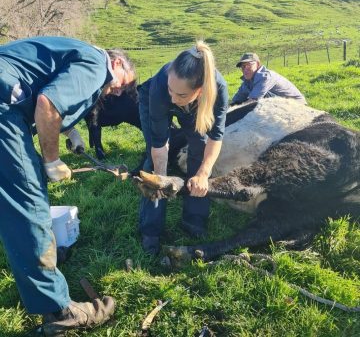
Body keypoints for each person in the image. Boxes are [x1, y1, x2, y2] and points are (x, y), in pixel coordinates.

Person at [0, 36, 134, 335]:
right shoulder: (97, 64)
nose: (120, 89)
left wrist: (71, 132)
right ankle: (58, 309)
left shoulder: (73, 52)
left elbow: (48, 85)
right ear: (116, 63)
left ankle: (36, 259)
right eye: (125, 81)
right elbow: (48, 103)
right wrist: (51, 160)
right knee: (29, 202)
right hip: (2, 110)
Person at [138, 40, 229, 255]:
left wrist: (203, 175)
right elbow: (160, 144)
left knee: (198, 151)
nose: (173, 97)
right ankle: (151, 230)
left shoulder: (218, 91)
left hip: (196, 109)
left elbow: (216, 137)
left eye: (180, 95)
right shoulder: (162, 86)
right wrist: (161, 179)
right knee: (154, 165)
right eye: (172, 90)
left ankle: (194, 220)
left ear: (200, 91)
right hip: (151, 99)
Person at [231, 52, 306, 105]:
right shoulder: (247, 81)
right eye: (243, 67)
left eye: (248, 65)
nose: (245, 69)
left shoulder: (265, 77)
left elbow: (253, 100)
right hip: (282, 103)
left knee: (262, 98)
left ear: (257, 64)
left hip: (296, 104)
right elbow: (235, 101)